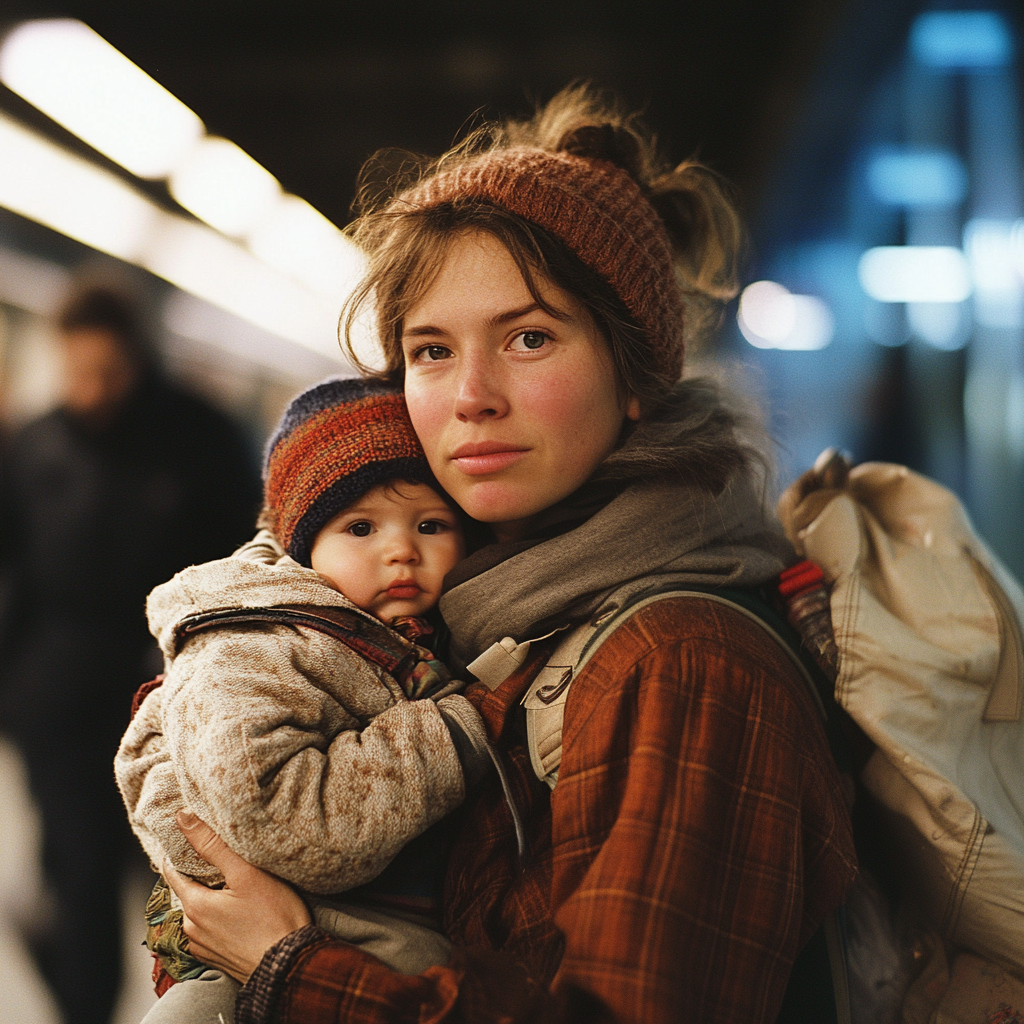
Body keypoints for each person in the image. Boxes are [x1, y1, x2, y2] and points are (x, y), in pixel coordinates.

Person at [155, 85, 859, 1024]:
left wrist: (294, 964)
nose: (471, 396)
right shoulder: (490, 610)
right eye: (432, 350)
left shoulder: (680, 662)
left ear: (636, 375)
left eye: (530, 337)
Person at [116, 377, 493, 1022]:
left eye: (431, 524)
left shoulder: (400, 634)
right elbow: (280, 817)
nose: (401, 550)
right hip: (258, 958)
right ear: (302, 544)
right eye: (360, 527)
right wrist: (451, 736)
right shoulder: (255, 646)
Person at [0, 286, 261, 1024]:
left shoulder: (201, 438)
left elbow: (242, 561)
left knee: (169, 875)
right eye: (77, 372)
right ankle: (84, 1007)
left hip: (170, 697)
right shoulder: (39, 443)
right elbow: (12, 567)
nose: (91, 391)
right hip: (58, 698)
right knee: (77, 871)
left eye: (107, 373)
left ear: (137, 358)